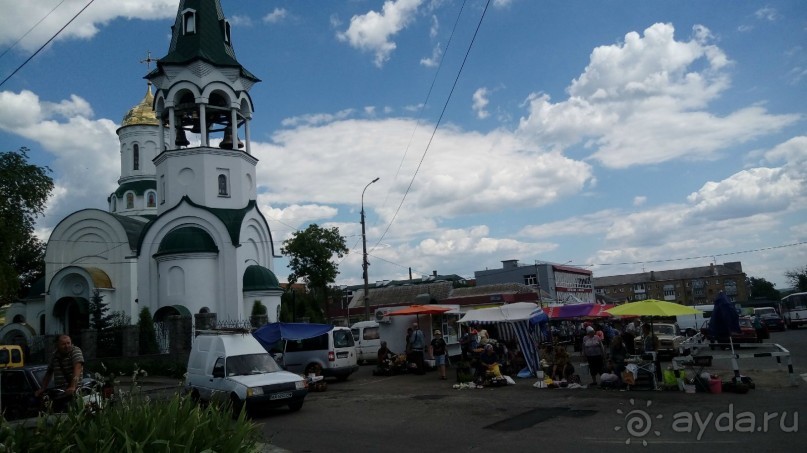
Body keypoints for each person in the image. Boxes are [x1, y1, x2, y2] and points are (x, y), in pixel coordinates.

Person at [36, 334, 85, 399]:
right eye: (63, 344)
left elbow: (78, 367)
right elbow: (49, 372)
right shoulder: (55, 355)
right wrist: (42, 388)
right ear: (57, 345)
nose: (67, 346)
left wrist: (73, 386)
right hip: (61, 392)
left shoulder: (75, 351)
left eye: (68, 343)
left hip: (75, 391)